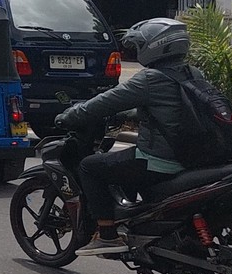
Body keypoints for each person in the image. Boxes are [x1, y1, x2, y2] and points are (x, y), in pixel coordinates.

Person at [55, 18, 214, 256]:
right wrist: (128, 113)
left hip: (162, 159)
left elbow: (102, 103)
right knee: (120, 166)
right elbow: (169, 110)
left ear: (154, 46)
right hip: (197, 156)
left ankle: (107, 235)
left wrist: (68, 115)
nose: (137, 51)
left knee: (90, 167)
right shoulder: (192, 73)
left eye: (139, 45)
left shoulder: (150, 79)